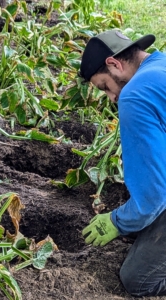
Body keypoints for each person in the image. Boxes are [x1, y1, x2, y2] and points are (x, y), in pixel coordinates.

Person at [79, 29, 166, 297]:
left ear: (114, 64)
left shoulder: (134, 96)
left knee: (137, 278)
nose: (111, 97)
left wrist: (117, 221)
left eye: (105, 87)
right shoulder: (160, 65)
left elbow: (152, 196)